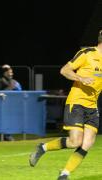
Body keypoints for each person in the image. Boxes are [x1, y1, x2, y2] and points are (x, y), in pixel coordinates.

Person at [29, 29, 102, 180]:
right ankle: (43, 147)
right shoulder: (87, 54)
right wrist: (81, 78)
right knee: (74, 142)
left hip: (92, 106)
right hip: (76, 102)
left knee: (87, 143)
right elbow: (64, 70)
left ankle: (64, 174)